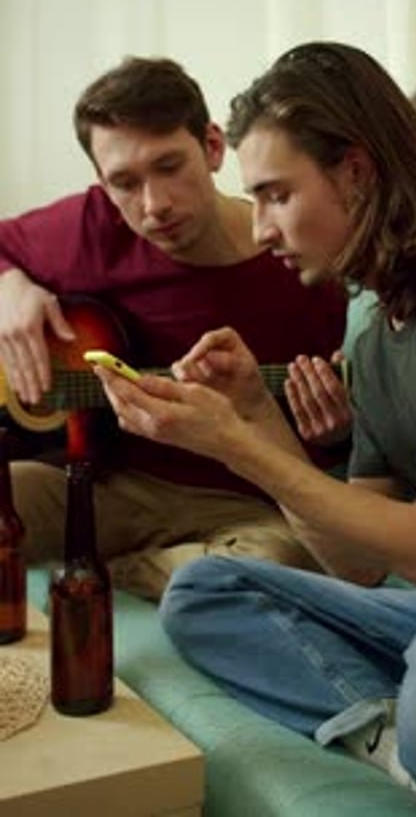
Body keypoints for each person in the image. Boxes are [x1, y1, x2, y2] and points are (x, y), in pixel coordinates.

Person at [93, 43, 416, 814]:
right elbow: (355, 567)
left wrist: (234, 443)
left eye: (277, 195)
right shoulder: (372, 332)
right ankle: (390, 738)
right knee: (205, 591)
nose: (263, 230)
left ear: (355, 170)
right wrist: (256, 418)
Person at [0, 55, 350, 601]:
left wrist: (336, 431)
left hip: (243, 502)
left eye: (169, 167)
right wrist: (10, 289)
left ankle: (119, 572)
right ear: (102, 183)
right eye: (124, 182)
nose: (153, 205)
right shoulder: (94, 225)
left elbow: (333, 449)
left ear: (213, 147)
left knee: (286, 560)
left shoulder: (297, 253)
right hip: (104, 485)